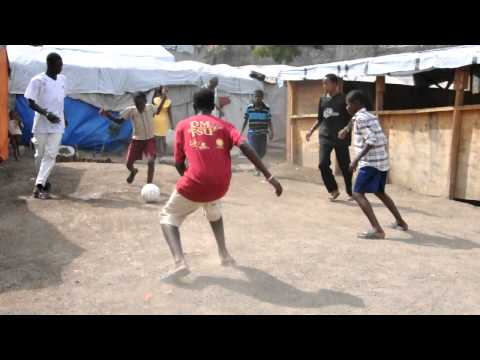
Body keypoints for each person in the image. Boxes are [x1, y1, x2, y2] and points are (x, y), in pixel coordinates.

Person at [160, 88, 283, 280]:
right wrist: (269, 176)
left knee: (168, 217)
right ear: (213, 107)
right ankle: (224, 254)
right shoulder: (225, 125)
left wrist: (194, 181)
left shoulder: (183, 126)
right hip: (220, 185)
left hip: (195, 182)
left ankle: (180, 263)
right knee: (214, 211)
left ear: (194, 107)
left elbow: (178, 162)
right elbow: (245, 146)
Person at [341, 90, 408, 239]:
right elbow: (354, 121)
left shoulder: (360, 119)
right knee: (380, 192)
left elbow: (371, 140)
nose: (346, 107)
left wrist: (355, 160)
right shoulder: (368, 115)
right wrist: (346, 129)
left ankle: (377, 229)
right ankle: (401, 222)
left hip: (370, 163)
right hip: (381, 161)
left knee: (357, 193)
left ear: (356, 104)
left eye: (348, 104)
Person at [25, 52, 67, 200]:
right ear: (50, 64)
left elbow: (61, 102)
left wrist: (64, 117)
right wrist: (46, 114)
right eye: (59, 64)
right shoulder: (38, 80)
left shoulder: (62, 80)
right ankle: (43, 181)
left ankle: (39, 186)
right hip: (41, 123)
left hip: (57, 124)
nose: (61, 67)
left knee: (50, 154)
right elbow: (30, 102)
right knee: (40, 155)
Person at [306, 73, 353, 202]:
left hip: (341, 138)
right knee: (322, 164)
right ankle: (333, 189)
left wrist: (346, 129)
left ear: (335, 84)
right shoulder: (322, 99)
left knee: (345, 166)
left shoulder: (344, 99)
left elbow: (353, 118)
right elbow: (320, 119)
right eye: (323, 83)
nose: (323, 85)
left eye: (326, 83)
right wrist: (311, 130)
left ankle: (350, 191)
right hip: (325, 136)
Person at [100, 92, 163, 185]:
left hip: (149, 140)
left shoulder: (150, 107)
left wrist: (164, 98)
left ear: (145, 101)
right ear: (135, 104)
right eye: (137, 105)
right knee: (128, 164)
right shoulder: (131, 110)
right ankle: (133, 171)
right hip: (137, 140)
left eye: (141, 104)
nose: (139, 107)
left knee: (151, 161)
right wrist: (107, 114)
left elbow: (158, 111)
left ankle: (149, 185)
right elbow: (119, 121)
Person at [241, 89, 273, 176]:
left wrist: (271, 131)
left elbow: (269, 120)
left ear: (262, 97)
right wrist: (241, 131)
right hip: (252, 134)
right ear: (254, 97)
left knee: (262, 152)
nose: (257, 98)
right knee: (254, 152)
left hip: (263, 134)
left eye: (259, 96)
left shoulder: (267, 108)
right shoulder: (249, 108)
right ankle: (257, 169)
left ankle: (257, 165)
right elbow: (245, 120)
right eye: (256, 96)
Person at [152, 86, 174, 160]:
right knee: (157, 138)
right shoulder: (155, 100)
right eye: (164, 89)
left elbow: (169, 113)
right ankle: (157, 153)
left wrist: (172, 123)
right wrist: (163, 100)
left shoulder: (169, 101)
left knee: (164, 138)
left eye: (166, 89)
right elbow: (157, 111)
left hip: (165, 121)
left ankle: (164, 154)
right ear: (161, 90)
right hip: (156, 120)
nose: (166, 90)